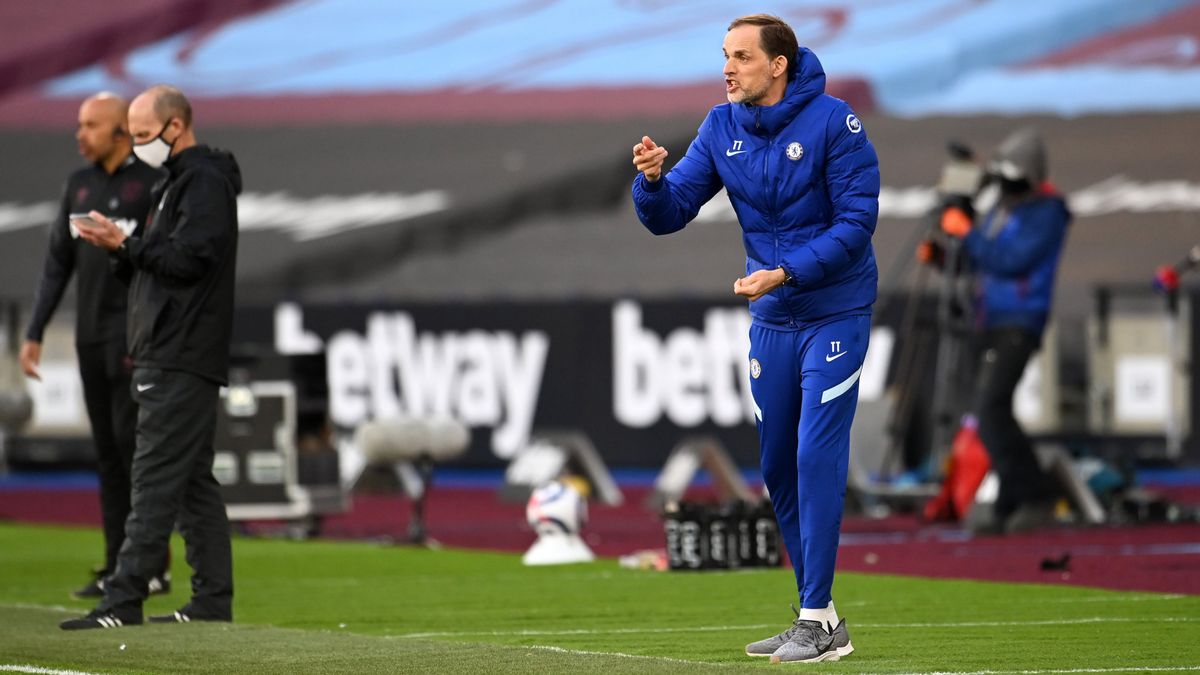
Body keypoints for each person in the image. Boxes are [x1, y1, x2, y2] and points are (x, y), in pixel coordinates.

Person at [631, 14, 878, 664]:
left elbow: (857, 222)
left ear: (779, 65)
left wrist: (786, 271)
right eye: (725, 55)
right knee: (776, 467)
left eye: (741, 56)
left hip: (834, 313)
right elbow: (671, 214)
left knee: (814, 454)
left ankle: (816, 618)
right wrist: (652, 182)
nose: (728, 68)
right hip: (772, 319)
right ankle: (819, 618)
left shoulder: (835, 122)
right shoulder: (721, 126)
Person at [60, 84, 242, 630]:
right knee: (191, 482)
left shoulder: (200, 183)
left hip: (180, 349)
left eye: (143, 135)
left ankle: (123, 599)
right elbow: (164, 265)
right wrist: (120, 250)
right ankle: (211, 600)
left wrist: (127, 246)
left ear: (175, 126)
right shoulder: (176, 182)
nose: (137, 146)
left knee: (153, 477)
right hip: (172, 347)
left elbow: (191, 259)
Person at [20, 92, 171, 600]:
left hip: (134, 336)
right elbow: (57, 263)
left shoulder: (152, 184)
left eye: (90, 125)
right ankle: (116, 564)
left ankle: (151, 565)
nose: (79, 134)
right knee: (106, 453)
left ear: (120, 131)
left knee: (134, 451)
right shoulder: (79, 185)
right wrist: (35, 330)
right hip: (90, 336)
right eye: (79, 124)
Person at [925, 127, 1071, 534]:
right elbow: (982, 261)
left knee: (991, 410)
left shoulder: (1047, 212)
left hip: (1019, 320)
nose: (1004, 181)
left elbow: (1011, 260)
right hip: (988, 317)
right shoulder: (1003, 207)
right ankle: (1012, 499)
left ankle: (1034, 495)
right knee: (989, 412)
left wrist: (967, 232)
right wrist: (943, 255)